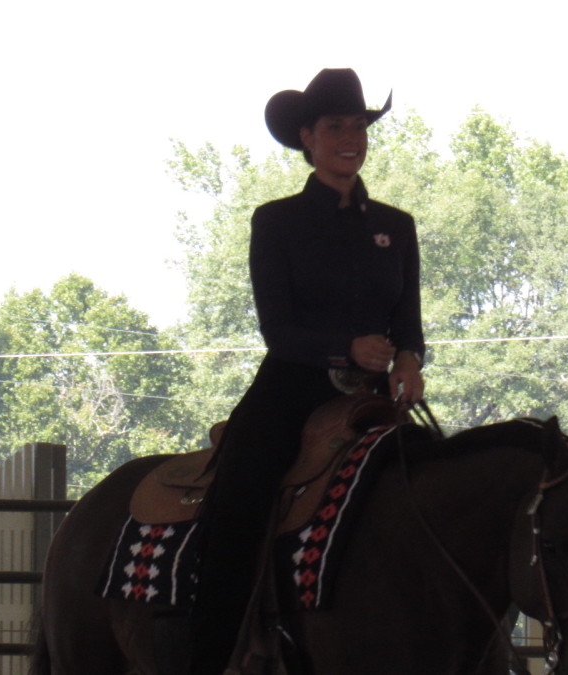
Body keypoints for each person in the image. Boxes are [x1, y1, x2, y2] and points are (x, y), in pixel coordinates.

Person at [188, 68, 426, 673]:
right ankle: (212, 653)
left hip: (376, 395)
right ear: (308, 139)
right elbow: (279, 331)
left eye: (359, 126)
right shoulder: (277, 221)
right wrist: (347, 348)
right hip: (292, 388)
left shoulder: (396, 227)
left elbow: (410, 322)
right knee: (240, 496)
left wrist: (409, 361)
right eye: (335, 127)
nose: (351, 137)